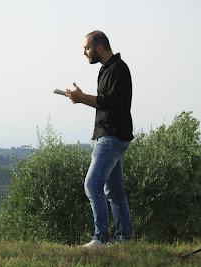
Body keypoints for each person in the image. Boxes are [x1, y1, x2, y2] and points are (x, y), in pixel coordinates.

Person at [65, 31, 133, 248]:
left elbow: (111, 102)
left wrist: (82, 98)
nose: (84, 53)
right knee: (114, 192)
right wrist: (81, 97)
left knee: (92, 184)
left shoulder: (118, 69)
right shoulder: (106, 70)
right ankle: (124, 240)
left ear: (100, 47)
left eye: (87, 48)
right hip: (110, 136)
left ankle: (100, 239)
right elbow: (106, 103)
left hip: (111, 138)